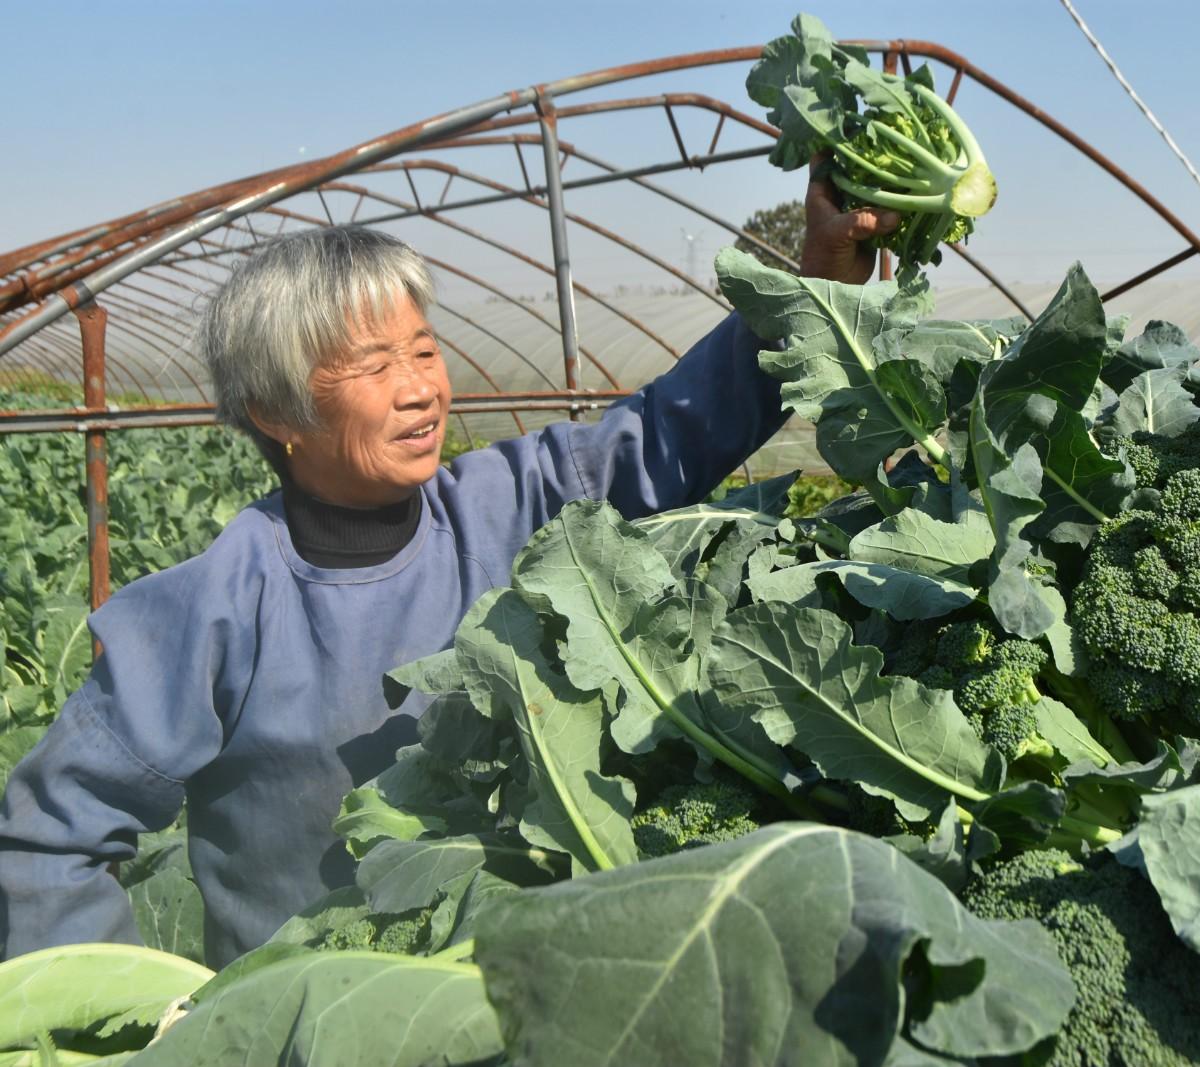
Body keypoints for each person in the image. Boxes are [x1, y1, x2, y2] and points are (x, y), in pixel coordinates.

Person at [0, 168, 899, 967]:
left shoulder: (511, 506)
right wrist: (131, 1021)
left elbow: (666, 432)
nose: (422, 385)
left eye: (424, 350)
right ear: (276, 410)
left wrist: (810, 280)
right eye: (373, 363)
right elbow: (48, 838)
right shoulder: (216, 609)